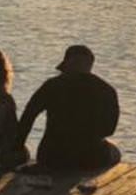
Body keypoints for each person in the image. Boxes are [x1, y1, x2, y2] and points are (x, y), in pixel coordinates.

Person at [15, 44, 121, 172]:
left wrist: (17, 147)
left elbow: (28, 118)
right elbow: (109, 130)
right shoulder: (106, 90)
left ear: (67, 64)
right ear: (90, 65)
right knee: (115, 152)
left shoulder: (51, 85)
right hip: (91, 157)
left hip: (50, 156)